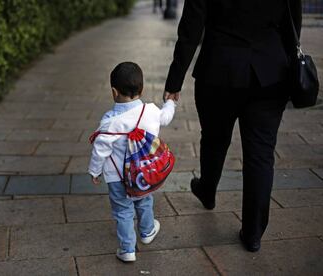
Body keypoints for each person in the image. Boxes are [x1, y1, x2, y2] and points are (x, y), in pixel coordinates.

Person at [163, 0, 302, 252]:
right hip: (270, 71)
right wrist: (292, 65)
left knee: (214, 138)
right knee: (260, 155)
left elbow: (191, 28)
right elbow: (293, 20)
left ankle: (207, 189)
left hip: (218, 70)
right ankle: (253, 233)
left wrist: (174, 81)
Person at [89, 62, 176, 262]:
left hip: (116, 176)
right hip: (143, 174)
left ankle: (128, 249)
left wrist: (94, 171)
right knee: (144, 200)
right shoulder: (152, 111)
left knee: (122, 210)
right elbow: (166, 117)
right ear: (142, 89)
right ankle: (146, 232)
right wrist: (170, 102)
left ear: (114, 91)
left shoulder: (110, 121)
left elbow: (100, 150)